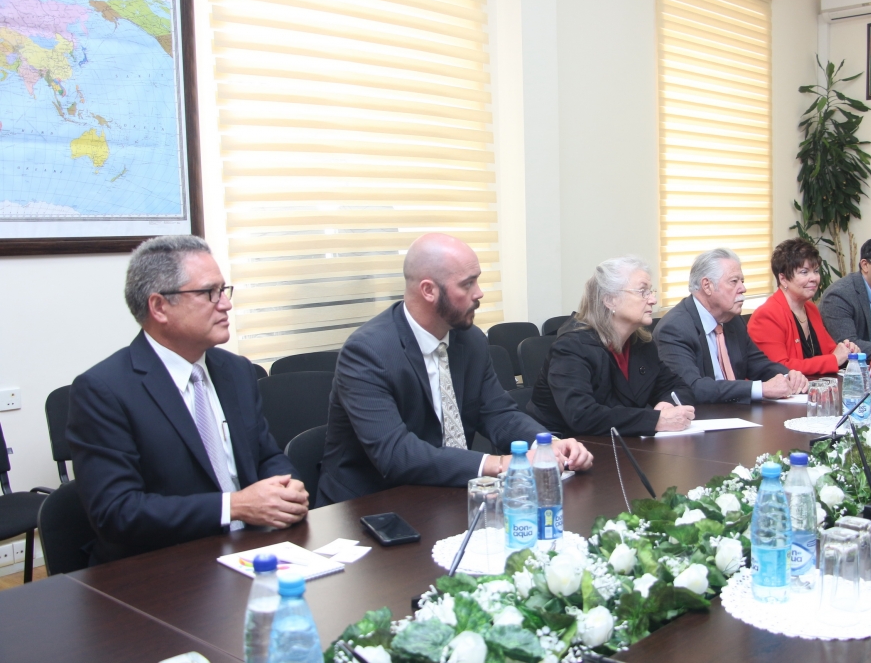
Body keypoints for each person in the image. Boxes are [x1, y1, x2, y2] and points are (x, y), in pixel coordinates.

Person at [67, 236, 308, 565]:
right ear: (159, 307)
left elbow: (266, 455)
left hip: (254, 548)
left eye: (224, 290)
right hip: (163, 565)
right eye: (210, 292)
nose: (225, 304)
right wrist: (233, 506)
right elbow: (117, 512)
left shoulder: (235, 370)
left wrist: (288, 486)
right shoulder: (104, 390)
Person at [317, 233, 593, 505]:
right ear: (429, 290)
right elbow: (395, 453)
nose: (479, 293)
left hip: (442, 493)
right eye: (467, 284)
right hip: (369, 504)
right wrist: (501, 464)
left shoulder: (470, 340)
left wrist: (545, 446)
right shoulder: (367, 352)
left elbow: (499, 414)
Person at [528, 256, 696, 437]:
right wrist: (655, 420)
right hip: (562, 444)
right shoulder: (571, 347)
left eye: (651, 291)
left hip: (621, 442)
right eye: (643, 291)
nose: (653, 300)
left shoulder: (641, 343)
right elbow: (582, 415)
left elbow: (678, 387)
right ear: (609, 300)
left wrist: (667, 404)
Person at [655, 248, 809, 404]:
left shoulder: (733, 320)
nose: (743, 288)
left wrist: (788, 376)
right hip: (702, 414)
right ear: (707, 286)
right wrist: (761, 389)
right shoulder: (675, 328)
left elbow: (758, 364)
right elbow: (692, 387)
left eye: (742, 281)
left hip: (738, 412)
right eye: (734, 281)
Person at [747, 239, 860, 376]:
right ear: (783, 279)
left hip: (815, 386)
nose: (814, 278)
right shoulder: (767, 314)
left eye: (816, 271)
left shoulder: (811, 308)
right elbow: (779, 368)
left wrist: (847, 350)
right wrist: (834, 359)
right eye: (804, 272)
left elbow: (830, 350)